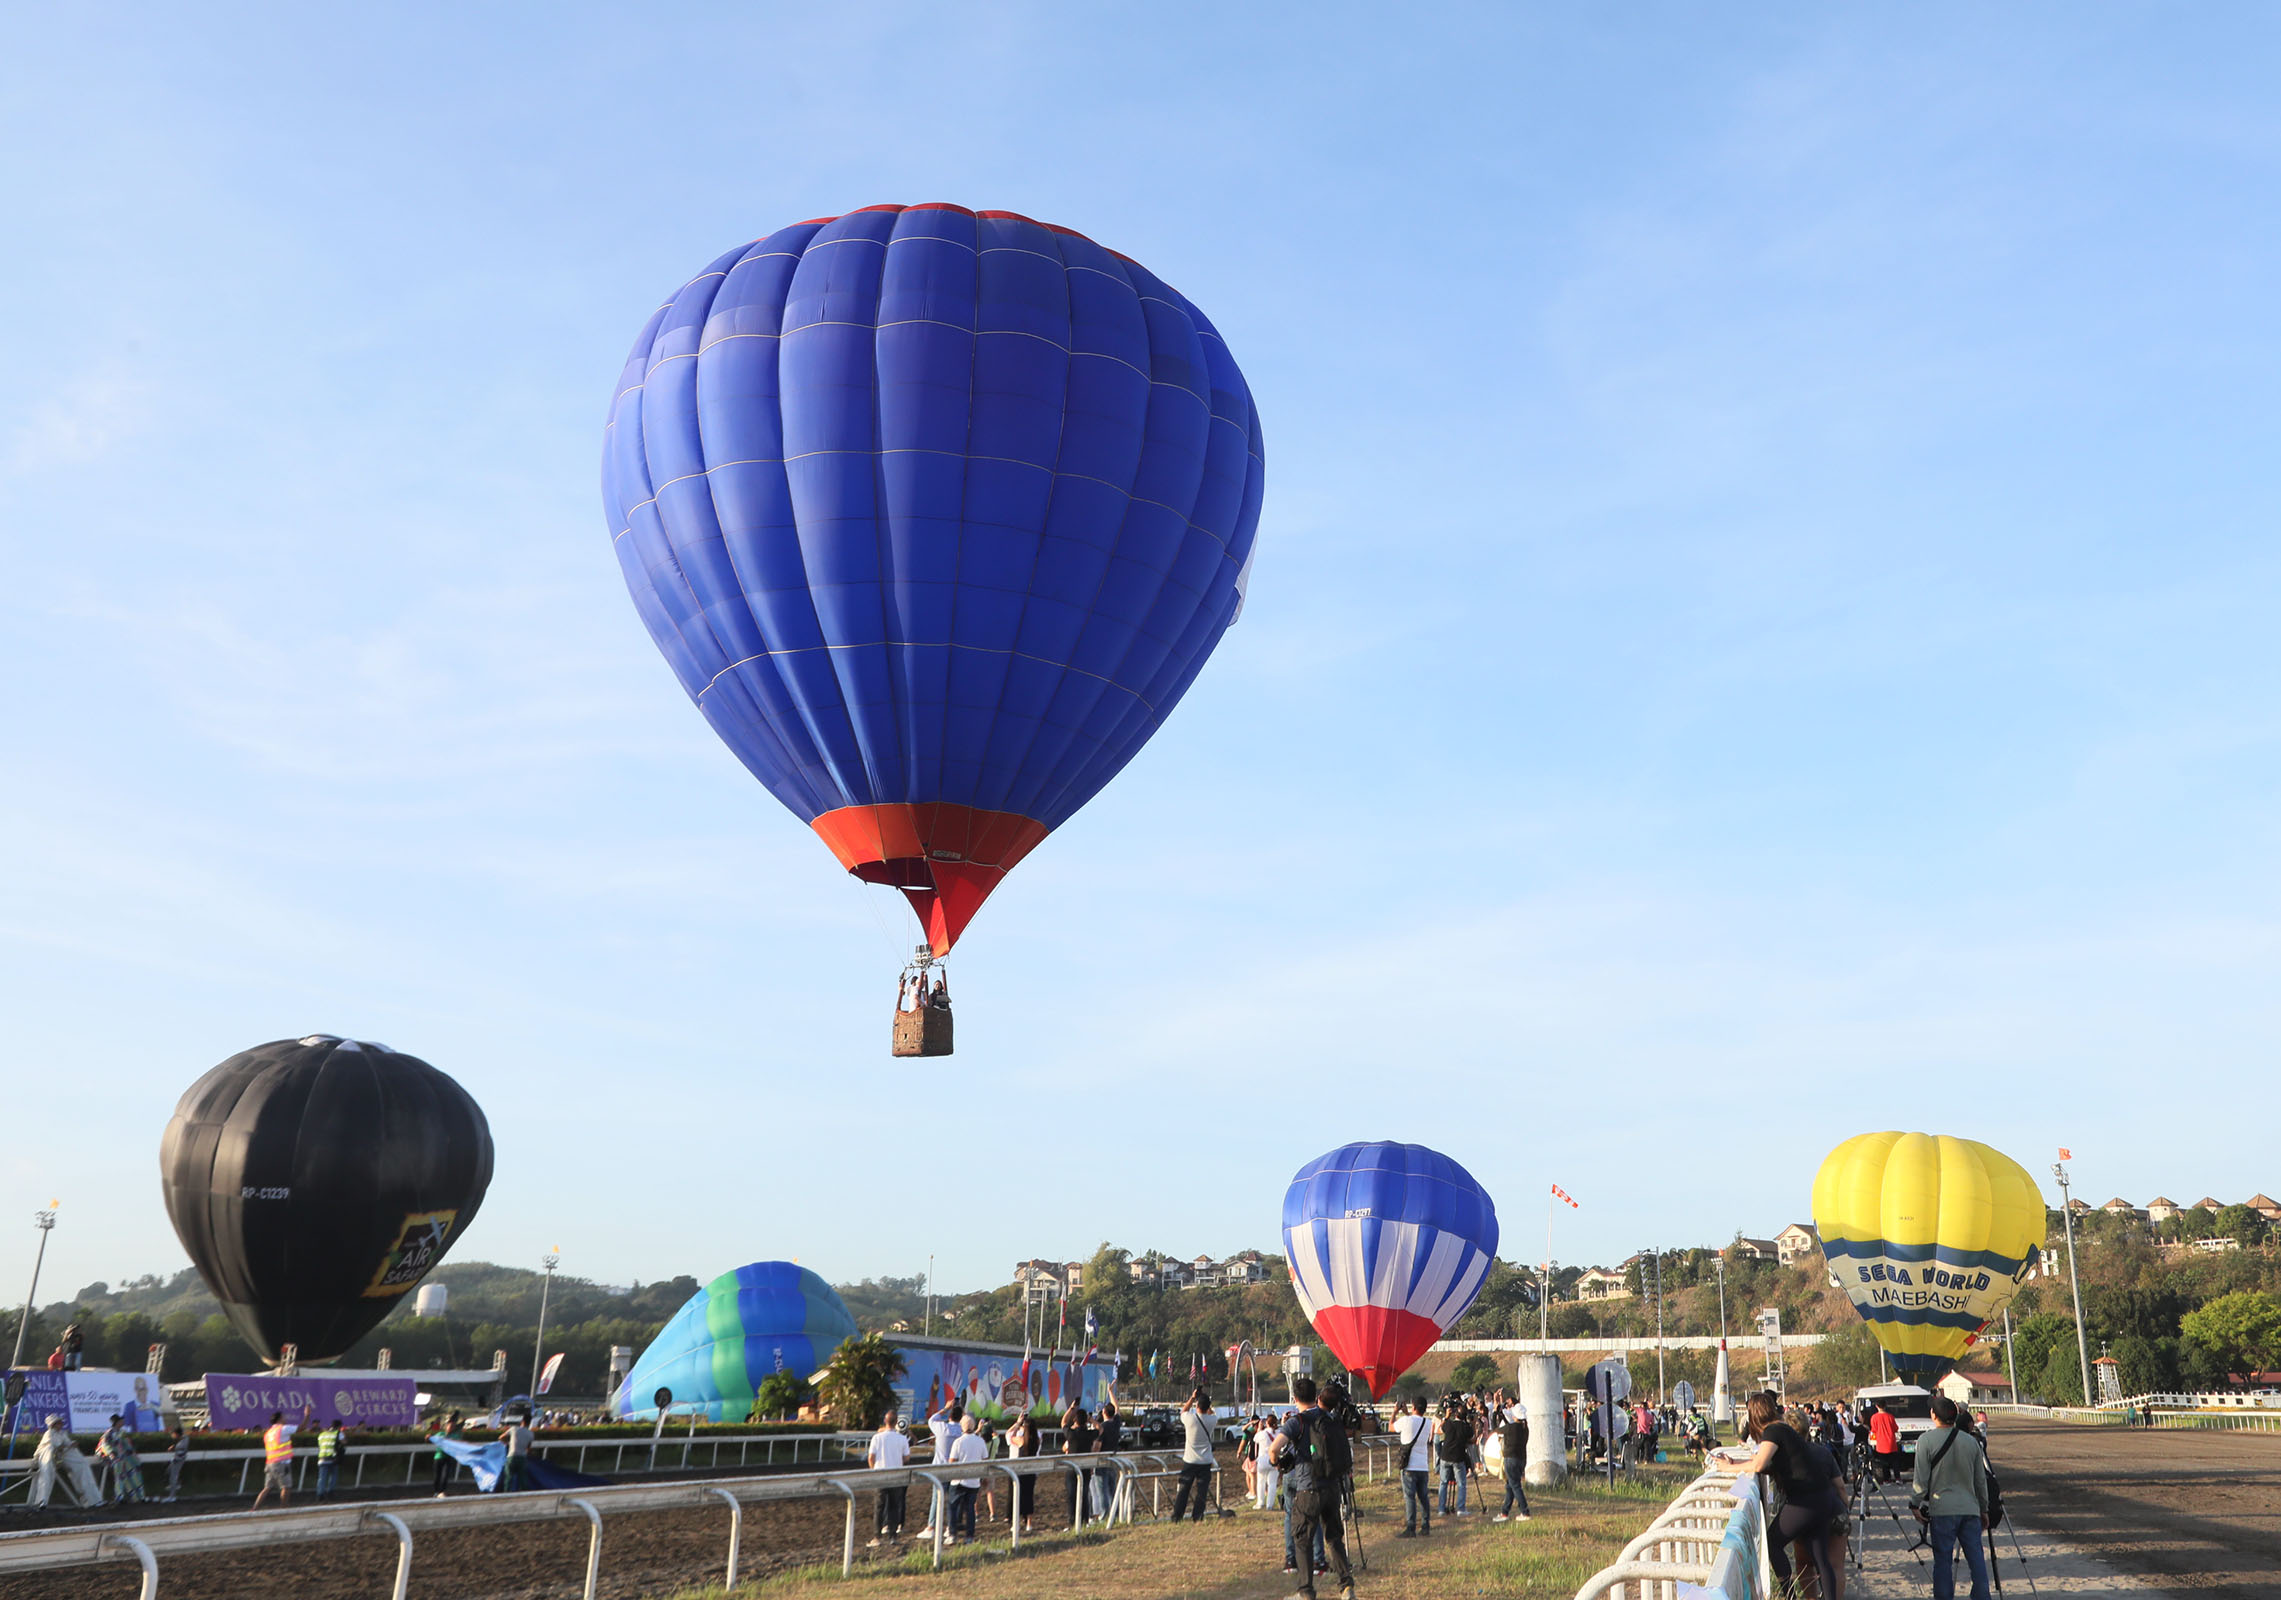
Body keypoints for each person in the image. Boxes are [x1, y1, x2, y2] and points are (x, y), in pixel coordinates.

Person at [1736, 1392, 1845, 1600]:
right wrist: (1736, 1465)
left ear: (1754, 1415)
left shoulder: (1773, 1431)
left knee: (1773, 1543)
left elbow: (1759, 1464)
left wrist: (1727, 1467)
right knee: (1821, 1559)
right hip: (1823, 1498)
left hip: (1805, 1501)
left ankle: (1790, 1596)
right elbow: (1775, 1464)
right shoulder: (1783, 1429)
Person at [1271, 1376, 1354, 1600]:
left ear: (1295, 1397)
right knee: (1334, 1538)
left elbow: (1274, 1448)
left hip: (1308, 1488)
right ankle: (1346, 1587)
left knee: (1302, 1539)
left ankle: (1305, 1591)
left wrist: (1276, 1461)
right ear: (1315, 1395)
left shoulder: (1297, 1421)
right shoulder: (1329, 1418)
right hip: (1332, 1487)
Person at [1910, 1395, 1993, 1600]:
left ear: (1933, 1415)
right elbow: (1980, 1481)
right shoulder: (1971, 1442)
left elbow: (1920, 1479)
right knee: (1977, 1560)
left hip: (1942, 1509)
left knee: (1943, 1562)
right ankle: (1982, 1596)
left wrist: (1915, 1503)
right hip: (1970, 1509)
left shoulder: (1926, 1440)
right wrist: (1983, 1508)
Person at [30, 1415, 102, 1508]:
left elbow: (65, 1444)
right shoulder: (49, 1434)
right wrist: (67, 1446)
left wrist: (72, 1444)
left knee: (82, 1465)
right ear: (53, 1424)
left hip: (60, 1455)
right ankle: (41, 1501)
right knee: (47, 1473)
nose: (61, 1424)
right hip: (47, 1456)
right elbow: (55, 1446)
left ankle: (93, 1500)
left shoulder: (62, 1434)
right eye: (59, 1423)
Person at [252, 1405, 312, 1510]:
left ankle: (254, 1508)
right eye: (284, 1417)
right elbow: (302, 1428)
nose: (285, 1419)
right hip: (282, 1463)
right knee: (286, 1487)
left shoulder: (268, 1433)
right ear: (280, 1419)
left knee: (267, 1488)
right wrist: (307, 1415)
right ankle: (284, 1508)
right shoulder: (283, 1429)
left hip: (270, 1463)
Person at [867, 1408, 910, 1545]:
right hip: (895, 1476)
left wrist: (874, 1470)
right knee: (893, 1507)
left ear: (885, 1421)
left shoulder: (877, 1438)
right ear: (896, 1422)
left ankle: (877, 1537)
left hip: (880, 1475)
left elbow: (871, 1457)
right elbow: (907, 1458)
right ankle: (893, 1537)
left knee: (879, 1507)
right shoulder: (902, 1438)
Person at [1393, 1398, 1435, 1536]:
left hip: (1409, 1466)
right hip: (1423, 1465)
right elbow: (1415, 1424)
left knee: (1409, 1497)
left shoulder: (1406, 1421)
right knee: (1423, 1497)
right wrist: (1407, 1414)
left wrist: (1395, 1412)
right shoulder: (1428, 1423)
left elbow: (1391, 1426)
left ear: (1414, 1406)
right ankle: (1425, 1526)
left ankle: (1411, 1527)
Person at [1172, 1389, 1214, 1521]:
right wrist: (1206, 1404)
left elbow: (1183, 1411)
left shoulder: (1189, 1418)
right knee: (1202, 1491)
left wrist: (1192, 1397)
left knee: (1184, 1490)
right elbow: (1211, 1412)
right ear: (1208, 1407)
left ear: (1197, 1406)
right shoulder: (1213, 1420)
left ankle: (1177, 1516)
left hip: (1190, 1460)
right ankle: (1197, 1516)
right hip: (1206, 1461)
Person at [949, 1416, 989, 1543]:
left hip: (958, 1480)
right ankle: (969, 1536)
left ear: (962, 1427)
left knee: (953, 1507)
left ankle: (952, 1534)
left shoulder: (958, 1442)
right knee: (970, 1509)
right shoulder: (980, 1441)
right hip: (974, 1481)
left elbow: (952, 1461)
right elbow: (985, 1460)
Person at [96, 1414, 147, 1505]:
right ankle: (120, 1496)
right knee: (120, 1476)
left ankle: (138, 1496)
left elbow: (126, 1444)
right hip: (116, 1458)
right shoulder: (109, 1432)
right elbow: (104, 1445)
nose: (123, 1422)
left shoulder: (120, 1432)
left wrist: (133, 1454)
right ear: (117, 1422)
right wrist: (111, 1453)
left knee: (133, 1473)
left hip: (123, 1457)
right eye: (121, 1421)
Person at [1493, 1398, 1530, 1522]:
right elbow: (1509, 1422)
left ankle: (1525, 1511)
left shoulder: (1511, 1428)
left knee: (1515, 1486)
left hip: (1510, 1459)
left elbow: (1496, 1429)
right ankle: (1505, 1512)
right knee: (1510, 1485)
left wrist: (1494, 1413)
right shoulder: (1524, 1428)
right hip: (1521, 1459)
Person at [1063, 1403, 1099, 1526]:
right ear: (1085, 1421)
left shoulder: (1071, 1434)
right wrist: (1091, 1419)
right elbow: (1100, 1429)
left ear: (1075, 1420)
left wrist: (1071, 1408)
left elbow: (1063, 1422)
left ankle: (1072, 1522)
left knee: (1072, 1496)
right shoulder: (1089, 1434)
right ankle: (1084, 1520)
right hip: (1085, 1468)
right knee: (1084, 1495)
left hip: (1072, 1468)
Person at [1437, 1400, 1474, 1516]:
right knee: (1461, 1484)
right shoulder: (1465, 1428)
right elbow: (1473, 1439)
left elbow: (1439, 1430)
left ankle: (1441, 1509)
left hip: (1445, 1456)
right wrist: (1473, 1423)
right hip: (1458, 1458)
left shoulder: (1449, 1424)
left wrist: (1446, 1417)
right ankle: (1461, 1509)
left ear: (1455, 1414)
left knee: (1443, 1483)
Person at [1005, 1410, 1039, 1534]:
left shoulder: (1021, 1440)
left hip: (1020, 1472)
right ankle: (1029, 1523)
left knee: (1017, 1498)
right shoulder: (1037, 1440)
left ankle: (1016, 1523)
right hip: (1031, 1472)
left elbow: (1009, 1435)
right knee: (1029, 1497)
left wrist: (1017, 1423)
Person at [1094, 1398, 1124, 1520]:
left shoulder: (1102, 1427)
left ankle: (1105, 1515)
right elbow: (1117, 1408)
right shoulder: (1116, 1424)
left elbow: (1098, 1446)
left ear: (1104, 1413)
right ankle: (1115, 1514)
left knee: (1102, 1490)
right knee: (1112, 1489)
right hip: (1113, 1460)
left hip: (1102, 1461)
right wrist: (1110, 1392)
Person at [1254, 1414, 1283, 1510]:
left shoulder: (1262, 1433)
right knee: (1272, 1484)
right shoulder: (1279, 1433)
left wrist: (1259, 1428)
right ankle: (1269, 1505)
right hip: (1274, 1460)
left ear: (1267, 1423)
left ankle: (1260, 1502)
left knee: (1260, 1482)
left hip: (1262, 1460)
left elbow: (1255, 1439)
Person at [1868, 1401, 1901, 1483]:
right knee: (1895, 1462)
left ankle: (1887, 1479)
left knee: (1884, 1463)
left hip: (1881, 1444)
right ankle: (1897, 1478)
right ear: (1885, 1406)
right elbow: (1896, 1428)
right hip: (1892, 1443)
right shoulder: (1890, 1416)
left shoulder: (1874, 1417)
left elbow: (1874, 1430)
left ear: (1877, 1406)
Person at [499, 1412, 532, 1492]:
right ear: (529, 1422)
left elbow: (501, 1437)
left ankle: (506, 1495)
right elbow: (528, 1448)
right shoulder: (531, 1434)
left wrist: (508, 1443)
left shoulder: (514, 1429)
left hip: (512, 1457)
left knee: (508, 1479)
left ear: (522, 1421)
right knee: (523, 1480)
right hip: (522, 1458)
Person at [432, 1412, 462, 1496]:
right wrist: (428, 1437)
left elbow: (459, 1443)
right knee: (437, 1475)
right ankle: (436, 1491)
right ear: (446, 1426)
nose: (451, 1427)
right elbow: (433, 1440)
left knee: (445, 1476)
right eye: (450, 1425)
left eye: (453, 1426)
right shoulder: (440, 1434)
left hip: (449, 1458)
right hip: (439, 1457)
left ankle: (442, 1491)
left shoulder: (456, 1436)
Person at [164, 1425, 191, 1502]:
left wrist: (175, 1454)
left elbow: (181, 1451)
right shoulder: (183, 1439)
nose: (172, 1435)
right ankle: (176, 1485)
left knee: (173, 1477)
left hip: (178, 1460)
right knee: (169, 1472)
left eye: (174, 1433)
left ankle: (172, 1496)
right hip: (176, 1459)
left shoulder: (183, 1441)